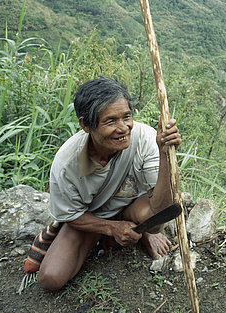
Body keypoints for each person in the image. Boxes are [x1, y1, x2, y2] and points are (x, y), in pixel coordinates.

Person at [37, 76, 181, 291]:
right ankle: (114, 232)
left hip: (133, 206)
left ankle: (142, 233)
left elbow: (163, 211)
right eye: (110, 121)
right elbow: (71, 215)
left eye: (127, 117)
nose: (123, 128)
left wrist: (164, 155)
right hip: (92, 215)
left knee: (153, 222)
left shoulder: (147, 139)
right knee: (50, 279)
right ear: (86, 125)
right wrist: (111, 228)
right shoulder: (67, 164)